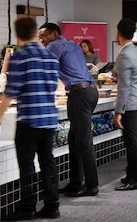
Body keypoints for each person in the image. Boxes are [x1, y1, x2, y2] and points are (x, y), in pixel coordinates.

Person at [0, 17, 60, 220]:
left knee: (27, 165)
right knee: (48, 163)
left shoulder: (20, 57)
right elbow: (53, 86)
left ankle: (27, 207)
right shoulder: (50, 57)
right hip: (49, 117)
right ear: (36, 33)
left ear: (17, 34)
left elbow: (11, 91)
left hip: (29, 119)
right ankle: (52, 206)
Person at [39, 22, 100, 198]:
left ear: (53, 33)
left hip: (79, 94)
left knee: (83, 140)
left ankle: (91, 185)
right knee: (75, 139)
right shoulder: (72, 44)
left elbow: (45, 68)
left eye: (43, 35)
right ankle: (75, 183)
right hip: (89, 92)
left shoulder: (54, 45)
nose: (42, 39)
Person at [113, 18, 137, 191]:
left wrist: (118, 111)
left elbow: (124, 86)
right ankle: (132, 174)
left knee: (131, 142)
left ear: (118, 33)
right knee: (133, 140)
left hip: (128, 104)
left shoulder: (124, 55)